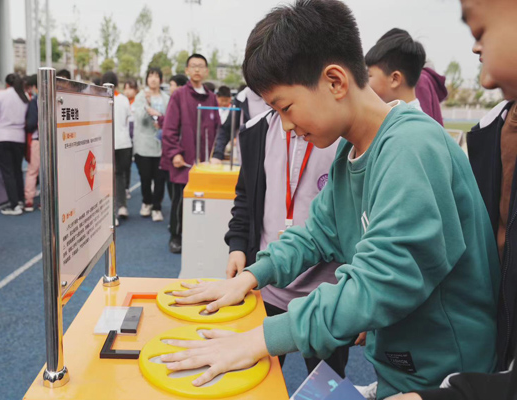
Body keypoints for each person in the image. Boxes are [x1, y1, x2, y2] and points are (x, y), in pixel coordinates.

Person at [160, 2, 499, 399]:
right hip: (400, 370)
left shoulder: (410, 147)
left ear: (335, 81)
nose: (286, 125)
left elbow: (380, 282)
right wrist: (253, 276)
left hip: (442, 380)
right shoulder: (350, 151)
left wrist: (255, 341)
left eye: (285, 107)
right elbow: (316, 233)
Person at [395, 0, 517, 399]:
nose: (475, 48)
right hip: (490, 334)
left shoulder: (418, 139)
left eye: (480, 31)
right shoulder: (488, 134)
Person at [225, 107, 346, 377]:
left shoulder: (347, 139)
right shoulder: (257, 130)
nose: (288, 123)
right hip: (268, 284)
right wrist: (238, 245)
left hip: (328, 294)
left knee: (328, 383)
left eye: (287, 105)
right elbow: (245, 195)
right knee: (258, 379)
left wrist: (362, 301)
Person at [161, 53, 220, 253]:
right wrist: (174, 153)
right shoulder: (178, 96)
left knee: (203, 200)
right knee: (180, 201)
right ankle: (175, 236)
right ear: (186, 70)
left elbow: (218, 128)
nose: (196, 69)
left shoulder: (212, 97)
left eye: (200, 66)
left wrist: (217, 154)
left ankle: (199, 235)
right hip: (184, 160)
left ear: (206, 71)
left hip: (205, 163)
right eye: (193, 66)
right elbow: (169, 129)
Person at [0, 74, 29, 216]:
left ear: (7, 84)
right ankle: (20, 200)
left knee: (7, 172)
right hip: (19, 138)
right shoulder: (24, 96)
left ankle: (14, 205)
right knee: (17, 171)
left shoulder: (0, 95)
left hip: (1, 137)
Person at [133, 68, 170, 222]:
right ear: (147, 79)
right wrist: (147, 106)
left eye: (156, 76)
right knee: (145, 177)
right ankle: (146, 202)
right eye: (150, 76)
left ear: (161, 80)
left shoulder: (166, 98)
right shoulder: (141, 96)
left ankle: (157, 207)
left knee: (160, 178)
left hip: (161, 145)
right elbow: (139, 117)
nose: (153, 79)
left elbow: (170, 119)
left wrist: (161, 121)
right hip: (144, 144)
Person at [365, 28, 425, 110]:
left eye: (369, 75)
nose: (365, 82)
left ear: (395, 79)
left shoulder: (406, 121)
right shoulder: (400, 116)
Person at [101, 71, 132, 225]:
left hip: (107, 143)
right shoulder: (124, 100)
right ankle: (122, 207)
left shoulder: (99, 99)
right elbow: (128, 120)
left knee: (107, 178)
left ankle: (110, 213)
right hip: (123, 142)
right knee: (120, 176)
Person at [211, 86, 272, 163]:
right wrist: (217, 155)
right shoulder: (241, 98)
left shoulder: (277, 94)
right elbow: (227, 128)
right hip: (247, 157)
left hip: (272, 156)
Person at [23, 75, 39, 212]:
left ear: (35, 87)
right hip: (53, 141)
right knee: (50, 172)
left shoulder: (35, 101)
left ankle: (29, 200)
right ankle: (46, 202)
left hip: (37, 141)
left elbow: (31, 124)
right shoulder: (55, 100)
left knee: (32, 171)